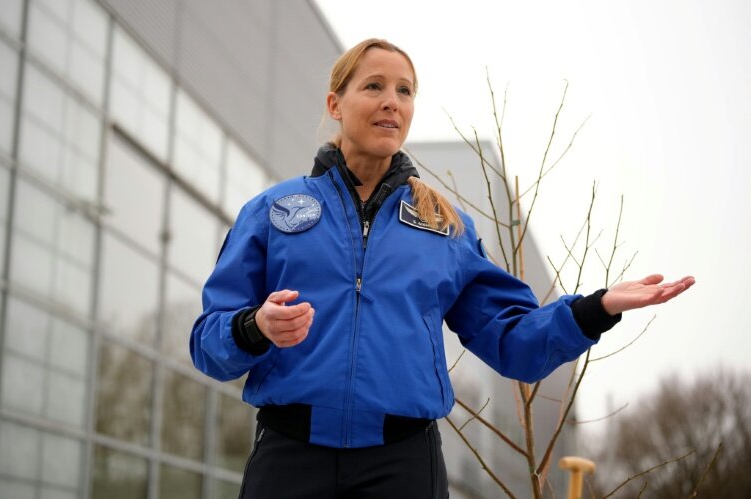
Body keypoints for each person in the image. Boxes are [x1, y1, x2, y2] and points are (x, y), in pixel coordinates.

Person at [190, 38, 694, 499]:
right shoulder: (272, 212)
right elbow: (208, 344)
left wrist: (595, 309)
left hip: (402, 466)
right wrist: (255, 327)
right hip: (290, 457)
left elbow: (512, 339)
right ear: (335, 104)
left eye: (405, 91)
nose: (393, 100)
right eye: (374, 86)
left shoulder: (444, 227)